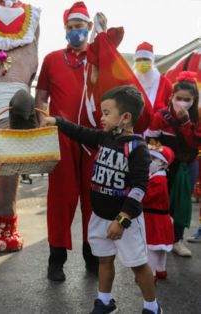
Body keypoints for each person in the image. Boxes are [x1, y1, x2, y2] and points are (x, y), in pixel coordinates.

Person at [43, 85, 161, 314]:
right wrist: (56, 121)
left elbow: (139, 189)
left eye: (107, 113)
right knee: (104, 260)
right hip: (99, 217)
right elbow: (79, 132)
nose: (101, 117)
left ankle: (152, 306)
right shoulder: (104, 138)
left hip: (125, 222)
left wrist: (123, 219)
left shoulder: (138, 149)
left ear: (125, 117)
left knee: (138, 265)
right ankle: (105, 302)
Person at [35, 1, 104, 281]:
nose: (76, 32)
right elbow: (40, 96)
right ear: (65, 29)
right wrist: (42, 121)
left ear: (89, 28)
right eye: (71, 27)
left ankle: (93, 256)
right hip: (60, 136)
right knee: (60, 199)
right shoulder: (51, 59)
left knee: (94, 199)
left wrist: (105, 37)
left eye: (81, 27)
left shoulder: (99, 58)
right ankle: (56, 260)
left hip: (93, 139)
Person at [145, 71, 201, 257]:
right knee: (162, 201)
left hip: (188, 165)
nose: (182, 102)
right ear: (172, 97)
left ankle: (177, 240)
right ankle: (158, 238)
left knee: (182, 202)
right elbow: (149, 141)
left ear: (194, 100)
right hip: (164, 165)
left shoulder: (197, 118)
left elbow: (195, 143)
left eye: (187, 99)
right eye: (179, 98)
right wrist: (163, 155)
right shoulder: (161, 116)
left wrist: (185, 121)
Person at [143, 144, 174, 282]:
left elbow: (146, 197)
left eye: (154, 158)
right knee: (161, 248)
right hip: (161, 217)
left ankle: (151, 274)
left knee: (153, 248)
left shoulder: (157, 180)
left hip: (155, 218)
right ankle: (161, 270)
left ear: (164, 164)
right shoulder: (159, 177)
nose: (150, 160)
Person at [133, 42, 173, 112]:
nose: (142, 62)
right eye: (138, 60)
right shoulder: (130, 82)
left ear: (152, 61)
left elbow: (171, 108)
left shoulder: (164, 83)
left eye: (145, 59)